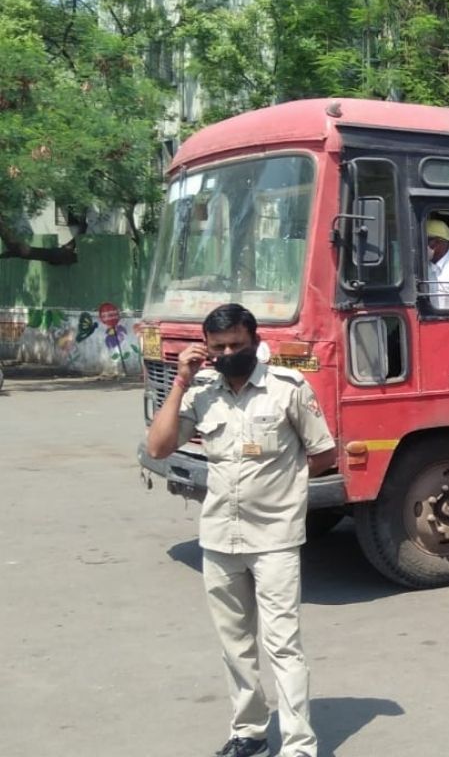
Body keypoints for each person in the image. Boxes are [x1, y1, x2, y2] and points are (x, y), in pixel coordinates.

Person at [146, 303, 336, 757]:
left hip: (275, 539)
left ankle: (298, 746)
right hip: (220, 538)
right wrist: (181, 381)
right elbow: (158, 447)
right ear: (206, 349)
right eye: (219, 347)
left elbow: (323, 453)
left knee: (283, 646)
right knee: (234, 645)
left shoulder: (287, 388)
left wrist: (283, 490)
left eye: (237, 344)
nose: (229, 353)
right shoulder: (202, 392)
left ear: (255, 341)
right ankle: (249, 733)